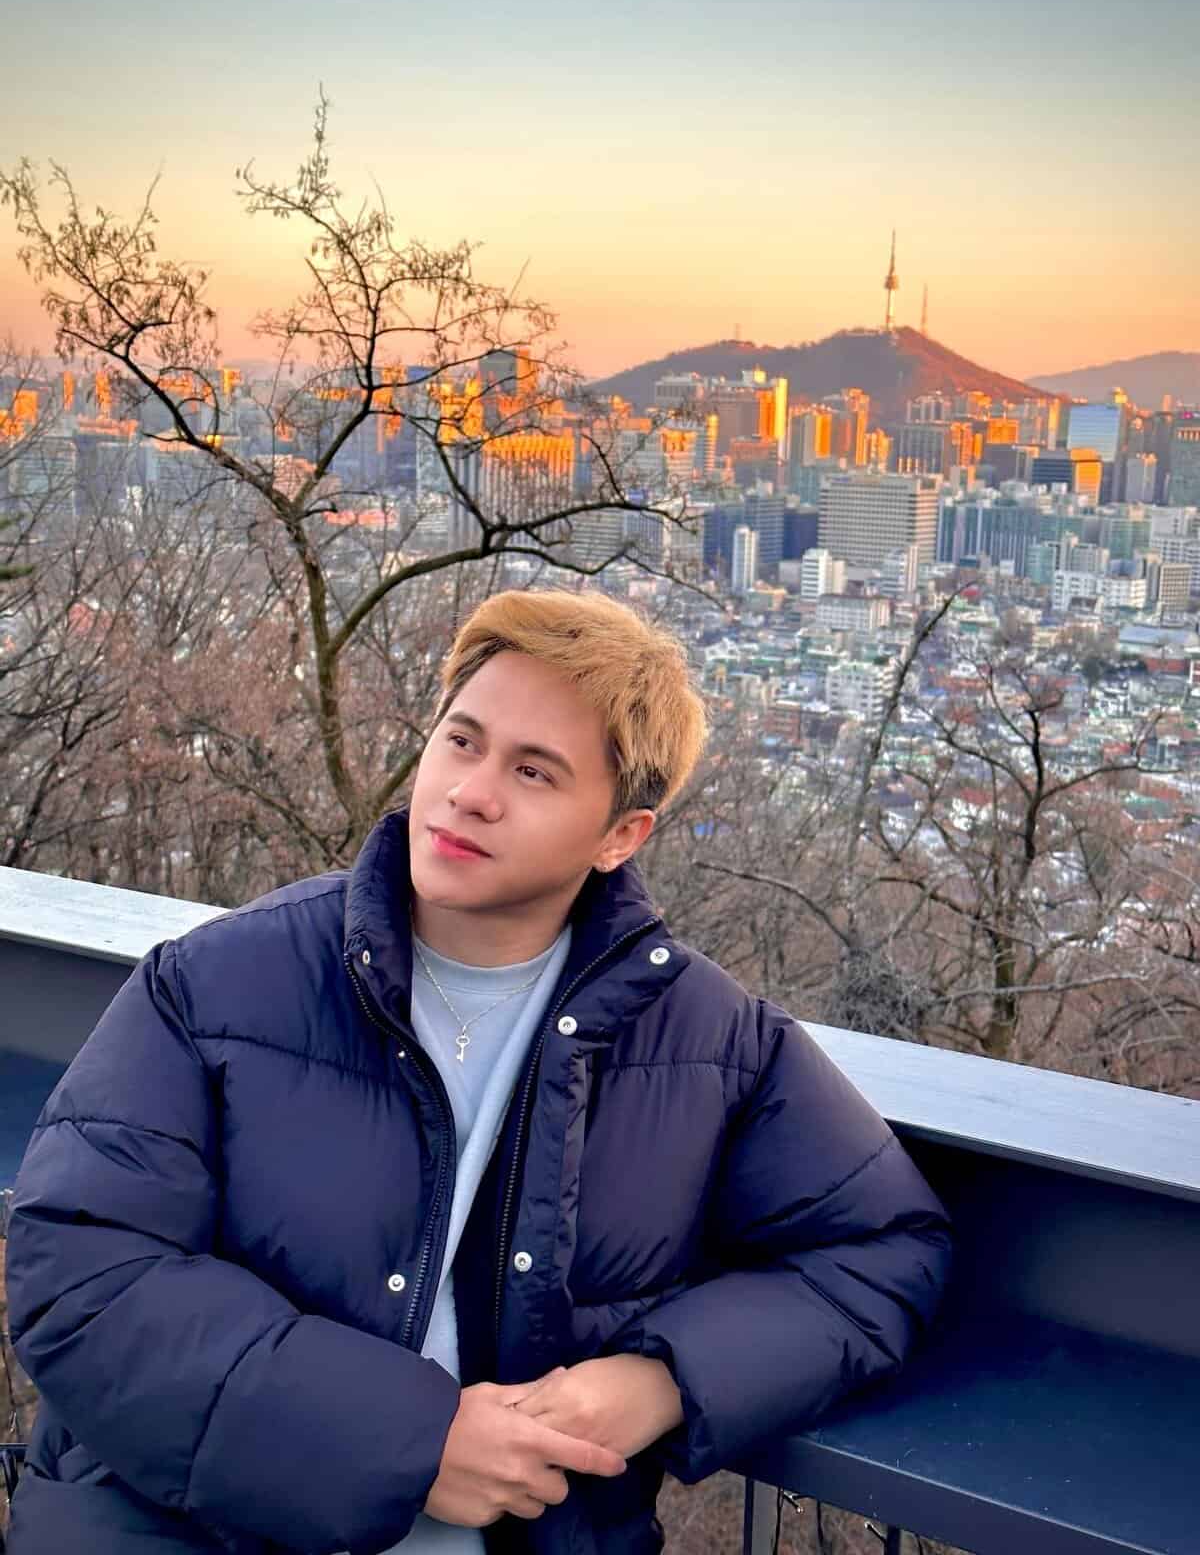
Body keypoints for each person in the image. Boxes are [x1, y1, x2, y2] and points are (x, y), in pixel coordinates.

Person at [5, 588, 952, 1555]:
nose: (471, 791)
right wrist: (411, 1442)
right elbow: (81, 1274)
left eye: (534, 772)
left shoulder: (710, 1043)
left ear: (621, 835)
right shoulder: (219, 985)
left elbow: (884, 1251)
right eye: (462, 741)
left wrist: (661, 1381)